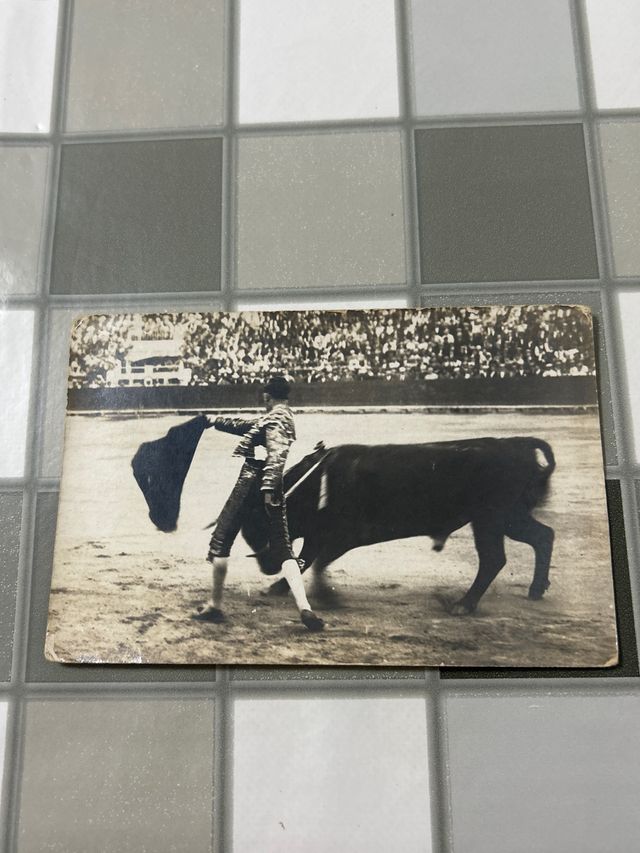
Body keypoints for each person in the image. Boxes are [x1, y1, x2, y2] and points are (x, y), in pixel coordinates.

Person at [194, 375, 324, 632]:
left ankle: (215, 606)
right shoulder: (281, 417)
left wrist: (266, 488)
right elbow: (248, 425)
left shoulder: (274, 419)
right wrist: (214, 421)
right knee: (284, 546)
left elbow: (275, 455)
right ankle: (304, 608)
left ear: (267, 396)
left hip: (252, 484)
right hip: (272, 487)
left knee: (222, 538)